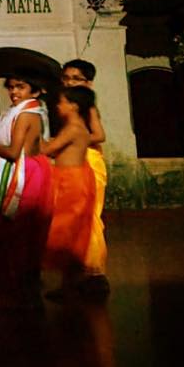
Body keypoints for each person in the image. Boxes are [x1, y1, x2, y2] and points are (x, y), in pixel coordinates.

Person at [0, 70, 53, 307]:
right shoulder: (25, 111)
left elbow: (13, 151)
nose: (14, 92)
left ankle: (20, 283)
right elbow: (10, 139)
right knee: (18, 228)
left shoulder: (26, 115)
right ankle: (22, 278)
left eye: (20, 87)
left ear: (35, 91)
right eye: (12, 87)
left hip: (26, 172)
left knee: (19, 227)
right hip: (30, 168)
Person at [41, 86, 97, 300]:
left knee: (66, 231)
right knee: (72, 231)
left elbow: (47, 150)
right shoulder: (77, 126)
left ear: (74, 106)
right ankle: (71, 283)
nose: (58, 106)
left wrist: (32, 131)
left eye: (62, 102)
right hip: (74, 178)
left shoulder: (73, 128)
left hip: (70, 181)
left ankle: (70, 286)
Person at [62, 59, 110, 297]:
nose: (69, 82)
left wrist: (74, 139)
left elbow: (99, 135)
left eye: (76, 78)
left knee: (89, 218)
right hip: (76, 162)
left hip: (89, 162)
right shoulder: (71, 105)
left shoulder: (88, 106)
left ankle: (95, 273)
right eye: (66, 78)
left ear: (88, 83)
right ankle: (76, 277)